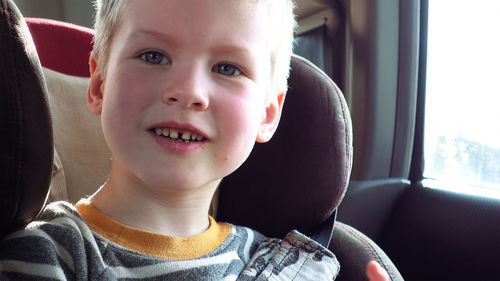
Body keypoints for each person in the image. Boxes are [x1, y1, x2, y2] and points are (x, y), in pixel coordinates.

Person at [0, 0, 390, 280]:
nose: (187, 91)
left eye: (227, 68)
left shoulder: (281, 264)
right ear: (100, 84)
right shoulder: (48, 256)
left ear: (267, 113)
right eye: (154, 56)